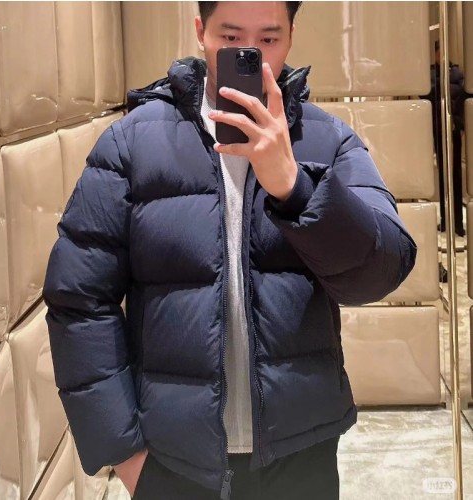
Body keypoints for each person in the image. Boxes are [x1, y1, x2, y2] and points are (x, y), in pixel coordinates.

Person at [42, 2, 417, 499]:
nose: (251, 54)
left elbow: (380, 273)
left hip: (301, 456)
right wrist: (125, 455)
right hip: (172, 463)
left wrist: (295, 188)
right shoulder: (132, 144)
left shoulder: (328, 142)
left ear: (291, 35)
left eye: (269, 39)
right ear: (201, 32)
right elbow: (80, 300)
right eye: (232, 37)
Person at [422, 40, 467, 237]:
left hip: (453, 129)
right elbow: (427, 98)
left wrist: (461, 124)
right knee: (442, 176)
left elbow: (463, 100)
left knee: (455, 175)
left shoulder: (456, 74)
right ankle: (444, 219)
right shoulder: (430, 75)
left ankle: (457, 222)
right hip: (438, 129)